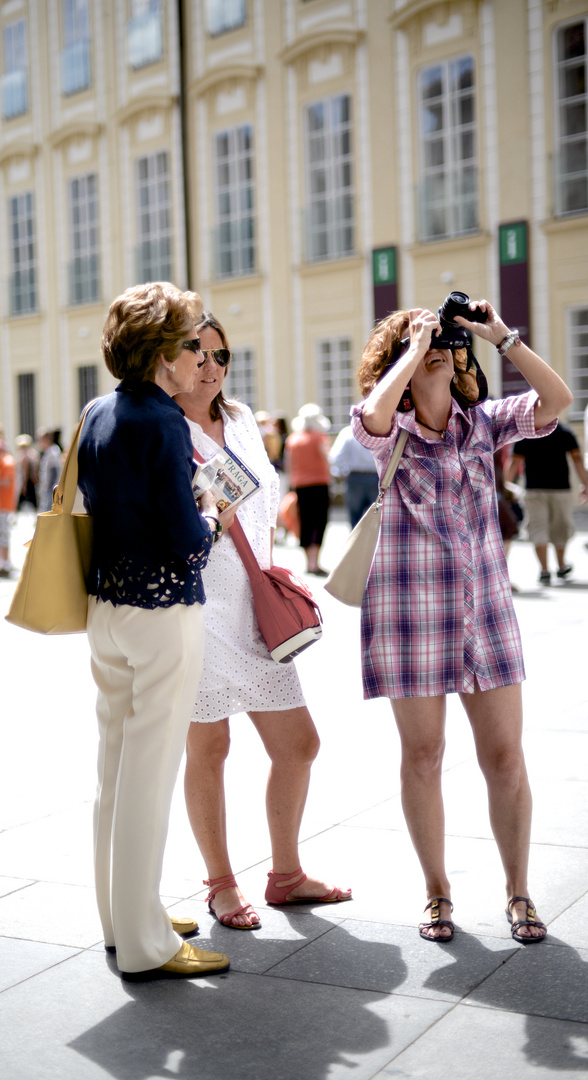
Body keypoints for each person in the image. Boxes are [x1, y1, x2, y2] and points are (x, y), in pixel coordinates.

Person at [351, 298, 573, 944]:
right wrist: (412, 348)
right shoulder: (386, 429)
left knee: (505, 757)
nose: (441, 345)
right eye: (425, 341)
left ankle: (518, 892)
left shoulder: (484, 425)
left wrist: (501, 337)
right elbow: (369, 417)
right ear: (400, 360)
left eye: (446, 338)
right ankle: (437, 892)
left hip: (487, 618)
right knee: (423, 756)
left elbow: (555, 401)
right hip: (410, 618)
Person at [176, 312, 351, 930]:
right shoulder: (162, 427)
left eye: (221, 355)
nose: (210, 365)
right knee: (211, 744)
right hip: (195, 606)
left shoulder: (245, 419)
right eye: (197, 351)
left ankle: (285, 874)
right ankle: (220, 883)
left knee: (299, 744)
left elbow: (262, 499)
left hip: (252, 601)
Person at [76, 282, 230, 981]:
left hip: (107, 610)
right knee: (148, 777)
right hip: (163, 611)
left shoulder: (98, 410)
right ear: (163, 352)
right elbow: (185, 540)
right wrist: (213, 517)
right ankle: (144, 943)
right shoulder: (164, 422)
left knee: (115, 773)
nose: (201, 352)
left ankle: (123, 917)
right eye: (192, 341)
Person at [508, 421, 588, 584]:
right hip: (560, 488)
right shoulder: (564, 431)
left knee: (538, 527)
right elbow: (577, 458)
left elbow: (514, 461)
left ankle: (544, 570)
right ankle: (560, 566)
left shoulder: (527, 431)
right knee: (560, 526)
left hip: (534, 489)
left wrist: (506, 486)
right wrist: (586, 484)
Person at [285, 403, 332, 576]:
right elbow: (327, 458)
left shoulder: (293, 439)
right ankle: (315, 561)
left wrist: (291, 485)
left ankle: (308, 562)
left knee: (304, 521)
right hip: (319, 482)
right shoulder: (320, 437)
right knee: (320, 521)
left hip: (300, 485)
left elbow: (289, 464)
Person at [329, 423, 379, 529]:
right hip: (376, 477)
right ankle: (375, 544)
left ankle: (358, 545)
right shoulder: (380, 430)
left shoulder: (348, 432)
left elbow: (335, 457)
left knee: (355, 519)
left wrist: (341, 473)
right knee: (378, 518)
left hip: (355, 478)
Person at [0, 436, 17, 576]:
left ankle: (5, 563)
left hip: (4, 504)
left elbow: (5, 481)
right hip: (2, 504)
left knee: (4, 534)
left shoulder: (7, 461)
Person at [36, 429, 62, 513]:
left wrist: (51, 489)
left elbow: (55, 472)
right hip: (47, 489)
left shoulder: (53, 451)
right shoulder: (47, 452)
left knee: (47, 512)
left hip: (51, 490)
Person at [15, 434, 39, 511]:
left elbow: (25, 471)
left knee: (20, 503)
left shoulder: (24, 456)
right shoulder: (34, 454)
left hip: (27, 482)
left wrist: (24, 485)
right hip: (32, 482)